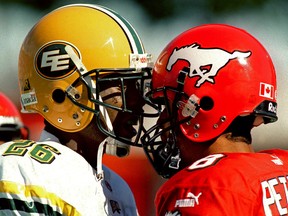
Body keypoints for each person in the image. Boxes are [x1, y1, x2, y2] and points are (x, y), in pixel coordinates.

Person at [0, 4, 155, 215]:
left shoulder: (118, 190)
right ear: (63, 94)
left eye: (138, 86)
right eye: (122, 86)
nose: (138, 101)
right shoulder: (23, 170)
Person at [141, 24, 286, 215]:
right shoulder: (281, 166)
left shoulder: (205, 187)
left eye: (169, 106)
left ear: (206, 106)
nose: (161, 121)